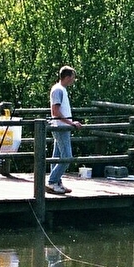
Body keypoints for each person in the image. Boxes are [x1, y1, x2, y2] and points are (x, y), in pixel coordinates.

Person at [47, 65, 82, 194]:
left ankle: (57, 182)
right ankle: (52, 181)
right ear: (67, 77)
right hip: (60, 127)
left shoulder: (62, 90)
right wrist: (71, 123)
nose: (73, 80)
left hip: (62, 126)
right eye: (73, 77)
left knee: (57, 157)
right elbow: (55, 112)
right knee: (67, 157)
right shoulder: (58, 90)